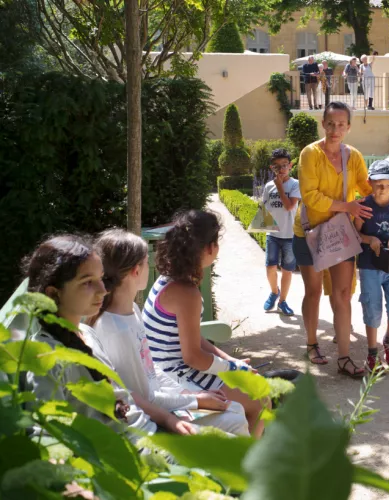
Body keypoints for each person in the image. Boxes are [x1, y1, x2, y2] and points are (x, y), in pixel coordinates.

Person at [89, 229, 249, 436]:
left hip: (164, 402)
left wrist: (189, 393)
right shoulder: (116, 330)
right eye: (147, 262)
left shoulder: (130, 311)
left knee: (235, 410)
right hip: (150, 420)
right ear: (136, 271)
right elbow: (143, 397)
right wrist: (194, 400)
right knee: (235, 419)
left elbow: (150, 369)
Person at [143, 210, 267, 437]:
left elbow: (193, 338)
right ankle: (245, 464)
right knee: (260, 399)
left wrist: (230, 361)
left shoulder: (168, 278)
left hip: (167, 370)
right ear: (210, 248)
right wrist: (234, 369)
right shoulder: (187, 293)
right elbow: (193, 357)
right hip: (175, 378)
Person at [23, 235, 158, 444]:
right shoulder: (47, 358)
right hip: (133, 454)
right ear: (54, 294)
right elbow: (45, 433)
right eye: (87, 282)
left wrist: (168, 420)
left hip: (148, 434)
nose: (103, 290)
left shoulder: (86, 332)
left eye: (101, 279)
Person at [292, 101, 372, 378]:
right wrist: (347, 207)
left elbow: (366, 188)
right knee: (312, 292)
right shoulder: (310, 154)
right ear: (323, 124)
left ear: (348, 127)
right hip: (309, 233)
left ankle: (344, 357)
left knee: (342, 294)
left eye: (341, 125)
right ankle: (312, 344)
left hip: (340, 234)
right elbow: (310, 195)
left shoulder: (355, 156)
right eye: (330, 124)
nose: (335, 129)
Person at [354, 160, 389, 370]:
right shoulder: (364, 205)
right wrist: (369, 240)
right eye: (377, 184)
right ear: (370, 182)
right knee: (372, 306)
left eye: (387, 184)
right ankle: (372, 351)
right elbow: (355, 234)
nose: (382, 188)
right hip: (370, 264)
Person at [262, 148, 300, 316]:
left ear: (290, 165)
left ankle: (282, 301)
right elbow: (265, 208)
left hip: (290, 236)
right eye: (277, 166)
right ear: (272, 168)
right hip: (273, 234)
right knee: (270, 267)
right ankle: (274, 291)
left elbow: (290, 206)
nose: (281, 169)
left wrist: (279, 186)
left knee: (287, 270)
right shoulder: (268, 186)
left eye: (284, 165)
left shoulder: (295, 184)